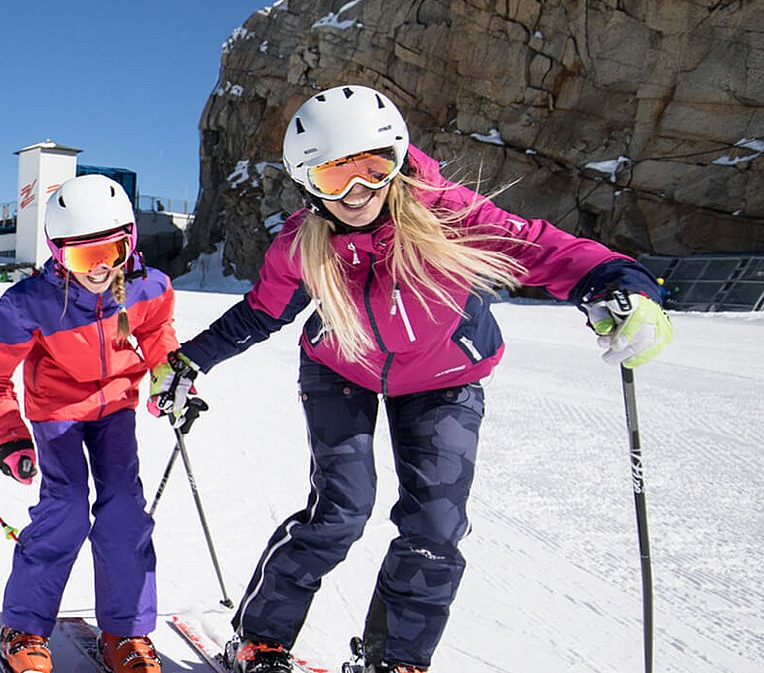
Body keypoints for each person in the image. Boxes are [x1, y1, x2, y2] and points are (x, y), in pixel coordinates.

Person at [147, 85, 675, 673]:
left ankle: (395, 660)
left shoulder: (443, 211)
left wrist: (618, 281)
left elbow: (537, 248)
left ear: (397, 159)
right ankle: (261, 638)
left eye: (374, 169)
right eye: (333, 177)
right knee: (341, 510)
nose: (357, 192)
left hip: (445, 376)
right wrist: (189, 361)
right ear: (306, 183)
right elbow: (260, 313)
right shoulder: (301, 242)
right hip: (339, 370)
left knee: (435, 526)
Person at [0, 174, 177, 673]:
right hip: (58, 413)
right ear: (57, 253)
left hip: (116, 409)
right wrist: (12, 436)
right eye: (84, 258)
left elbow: (157, 340)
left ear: (130, 242)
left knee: (124, 512)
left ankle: (126, 633)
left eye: (112, 250)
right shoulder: (27, 304)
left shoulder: (150, 289)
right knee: (65, 509)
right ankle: (24, 626)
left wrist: (168, 378)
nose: (101, 268)